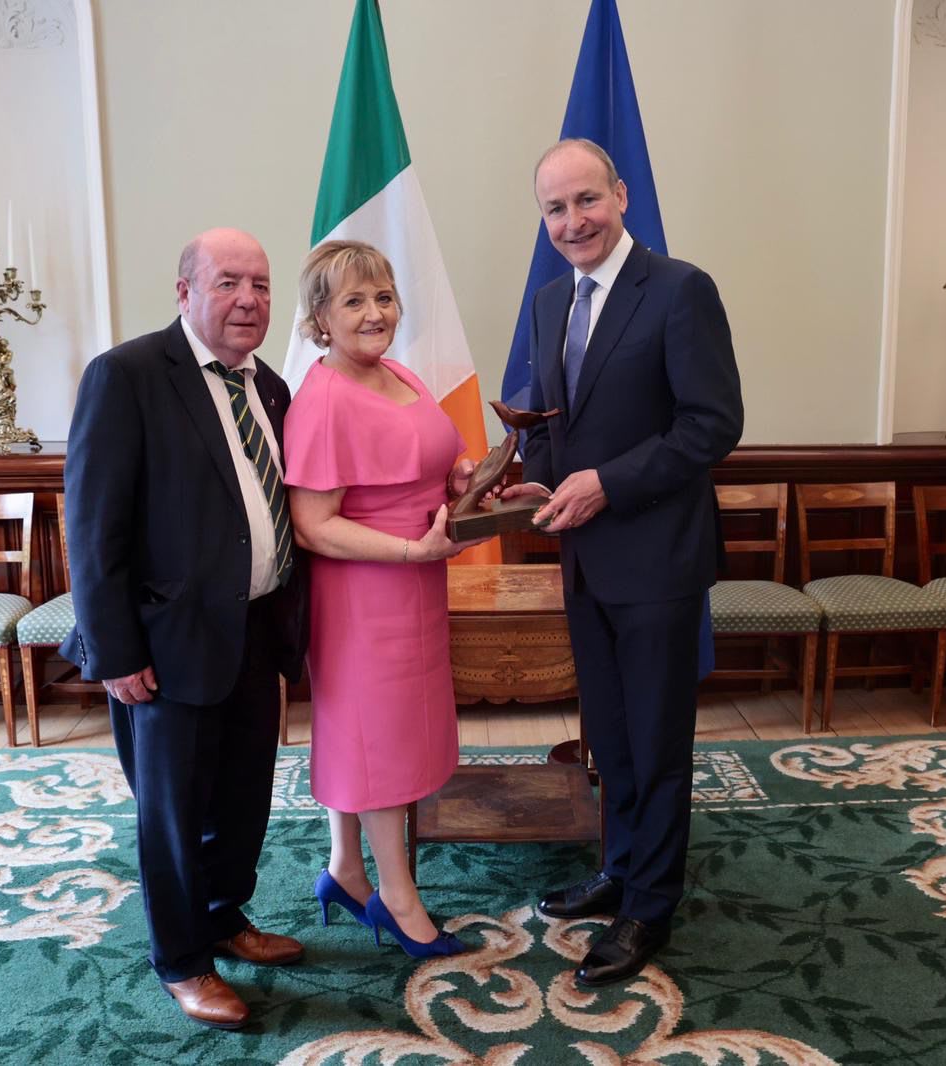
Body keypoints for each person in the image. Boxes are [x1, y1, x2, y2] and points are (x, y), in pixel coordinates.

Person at [502, 139, 744, 985]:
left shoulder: (681, 290)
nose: (573, 222)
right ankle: (620, 867)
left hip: (658, 558)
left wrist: (605, 483)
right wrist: (523, 484)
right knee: (610, 735)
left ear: (622, 195)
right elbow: (555, 429)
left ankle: (650, 906)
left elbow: (711, 425)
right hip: (585, 561)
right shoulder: (546, 301)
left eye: (586, 201)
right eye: (555, 209)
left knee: (657, 736)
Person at [61, 228, 309, 1030]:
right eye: (229, 282)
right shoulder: (128, 376)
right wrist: (115, 650)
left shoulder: (271, 387)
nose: (248, 300)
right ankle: (182, 959)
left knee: (242, 798)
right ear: (184, 291)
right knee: (171, 810)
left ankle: (224, 916)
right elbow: (93, 528)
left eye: (262, 286)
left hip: (254, 634)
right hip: (164, 647)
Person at [284, 239, 488, 959]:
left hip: (417, 583)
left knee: (368, 730)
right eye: (354, 301)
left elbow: (421, 460)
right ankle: (400, 905)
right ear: (319, 318)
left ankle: (345, 870)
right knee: (378, 741)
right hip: (365, 594)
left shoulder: (398, 372)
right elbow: (313, 525)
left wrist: (463, 477)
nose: (376, 314)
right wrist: (409, 551)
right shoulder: (322, 398)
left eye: (384, 297)